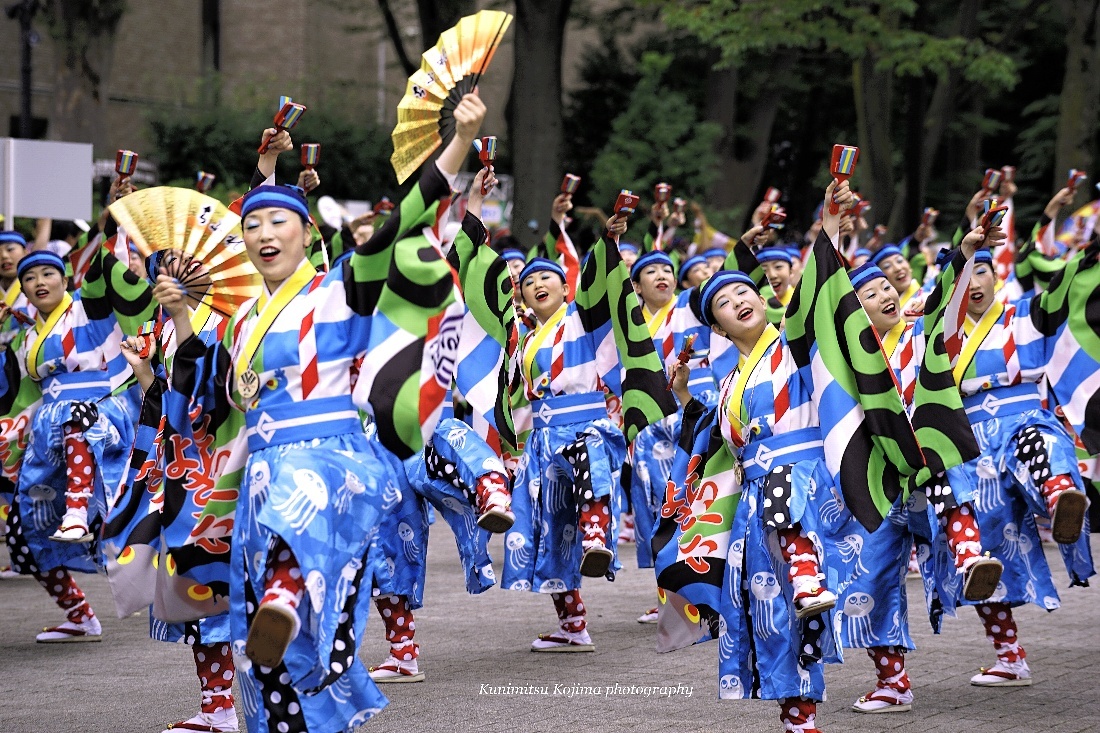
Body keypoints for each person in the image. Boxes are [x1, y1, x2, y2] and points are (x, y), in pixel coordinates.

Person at [156, 92, 488, 731]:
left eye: (278, 222)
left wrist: (457, 144)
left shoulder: (336, 290)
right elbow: (210, 395)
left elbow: (401, 224)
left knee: (293, 541)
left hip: (328, 459)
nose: (262, 235)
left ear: (307, 233)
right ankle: (288, 649)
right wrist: (176, 314)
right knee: (279, 665)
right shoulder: (240, 320)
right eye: (251, 226)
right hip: (259, 469)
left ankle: (285, 590)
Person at [455, 168, 674, 652]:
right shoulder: (520, 337)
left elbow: (596, 278)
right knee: (548, 526)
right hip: (543, 436)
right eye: (529, 280)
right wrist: (474, 200)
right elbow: (476, 279)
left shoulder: (583, 320)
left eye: (547, 278)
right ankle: (573, 624)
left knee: (590, 461)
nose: (537, 284)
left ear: (563, 288)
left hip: (588, 422)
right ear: (522, 294)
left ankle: (598, 536)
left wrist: (608, 239)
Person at [932, 229, 1096, 687]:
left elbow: (1065, 286)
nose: (976, 281)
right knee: (984, 553)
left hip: (1022, 418)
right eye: (967, 274)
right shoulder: (942, 332)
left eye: (982, 269)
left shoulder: (1027, 315)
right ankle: (1010, 657)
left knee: (1039, 445)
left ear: (997, 272)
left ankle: (1061, 497)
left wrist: (1088, 251)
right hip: (971, 443)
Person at [846, 256, 1003, 713]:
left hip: (926, 452)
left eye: (885, 287)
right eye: (869, 294)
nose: (885, 295)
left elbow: (948, 308)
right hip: (879, 473)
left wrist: (967, 252)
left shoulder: (922, 336)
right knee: (869, 574)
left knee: (939, 469)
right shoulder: (845, 361)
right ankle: (892, 682)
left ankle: (971, 556)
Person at [0, 238, 156, 643]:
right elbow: (23, 395)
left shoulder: (89, 311)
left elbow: (106, 271)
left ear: (65, 278)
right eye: (29, 276)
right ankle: (79, 615)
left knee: (77, 419)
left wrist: (114, 222)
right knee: (22, 532)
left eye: (48, 273)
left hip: (101, 408)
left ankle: (77, 512)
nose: (38, 281)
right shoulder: (24, 337)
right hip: (49, 426)